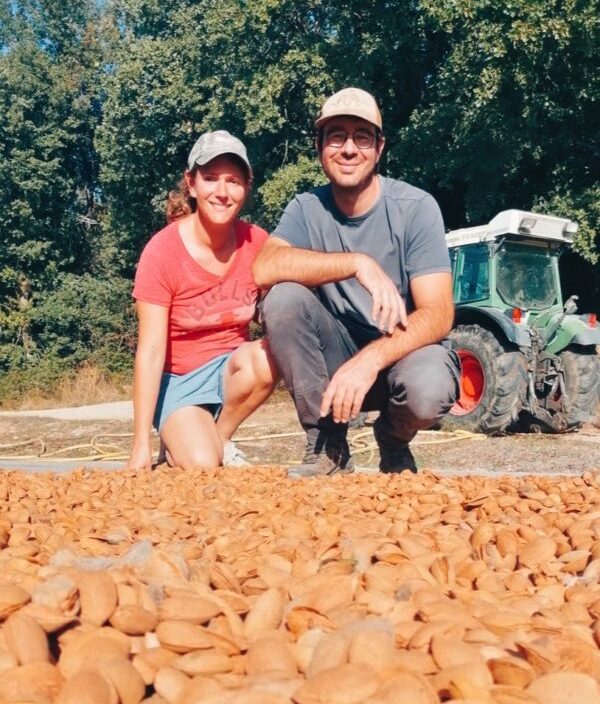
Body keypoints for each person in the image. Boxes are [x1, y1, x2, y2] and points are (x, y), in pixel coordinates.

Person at [253, 88, 461, 477]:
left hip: (403, 352)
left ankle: (393, 437)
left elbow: (438, 313)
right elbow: (264, 267)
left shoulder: (416, 208)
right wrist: (355, 263)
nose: (349, 148)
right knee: (281, 299)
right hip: (336, 356)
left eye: (361, 136)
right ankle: (327, 442)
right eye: (336, 135)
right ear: (320, 147)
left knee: (428, 389)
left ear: (378, 148)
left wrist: (369, 360)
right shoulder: (305, 208)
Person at [127, 130, 278, 471]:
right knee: (203, 465)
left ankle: (220, 436)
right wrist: (139, 445)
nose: (222, 192)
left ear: (246, 187)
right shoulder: (162, 252)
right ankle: (182, 439)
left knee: (274, 348)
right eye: (210, 179)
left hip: (231, 373)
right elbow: (150, 351)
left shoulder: (259, 243)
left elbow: (282, 314)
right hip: (179, 380)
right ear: (191, 184)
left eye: (233, 181)